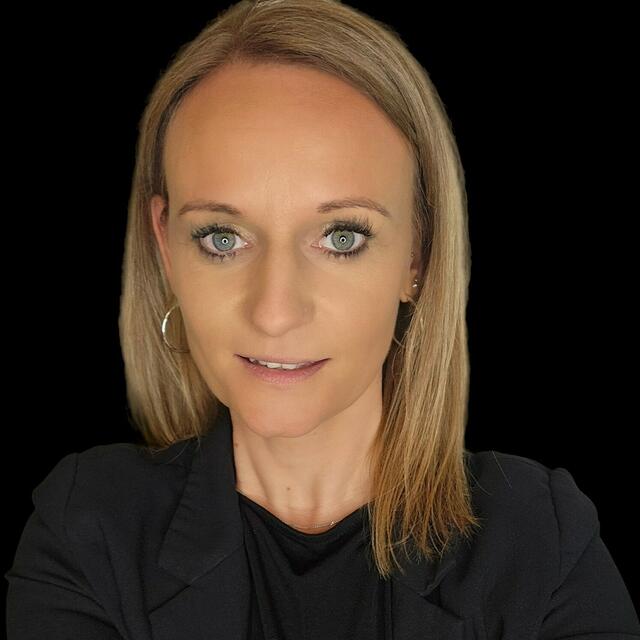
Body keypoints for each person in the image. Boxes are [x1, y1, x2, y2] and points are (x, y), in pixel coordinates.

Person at [6, 0, 638, 638]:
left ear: (417, 255)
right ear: (167, 249)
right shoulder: (90, 531)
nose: (275, 312)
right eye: (222, 238)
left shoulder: (540, 542)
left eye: (341, 237)